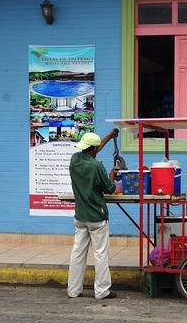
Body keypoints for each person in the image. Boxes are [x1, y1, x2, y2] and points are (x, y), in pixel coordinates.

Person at [67, 128, 119, 300]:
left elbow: (94, 149)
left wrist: (109, 136)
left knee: (77, 253)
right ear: (95, 150)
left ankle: (73, 290)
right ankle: (102, 291)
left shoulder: (75, 160)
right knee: (100, 253)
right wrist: (111, 175)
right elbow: (110, 189)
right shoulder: (97, 166)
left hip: (80, 216)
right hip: (97, 217)